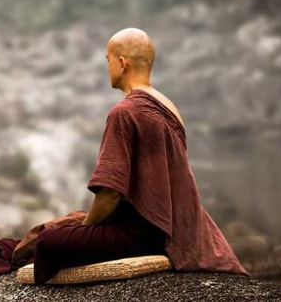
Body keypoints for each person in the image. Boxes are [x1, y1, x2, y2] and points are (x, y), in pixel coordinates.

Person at [30, 27, 248, 284]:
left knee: (47, 241)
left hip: (144, 234)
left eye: (108, 60)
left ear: (122, 63)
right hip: (171, 226)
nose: (107, 66)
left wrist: (86, 230)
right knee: (61, 224)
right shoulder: (168, 105)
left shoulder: (124, 112)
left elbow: (110, 192)